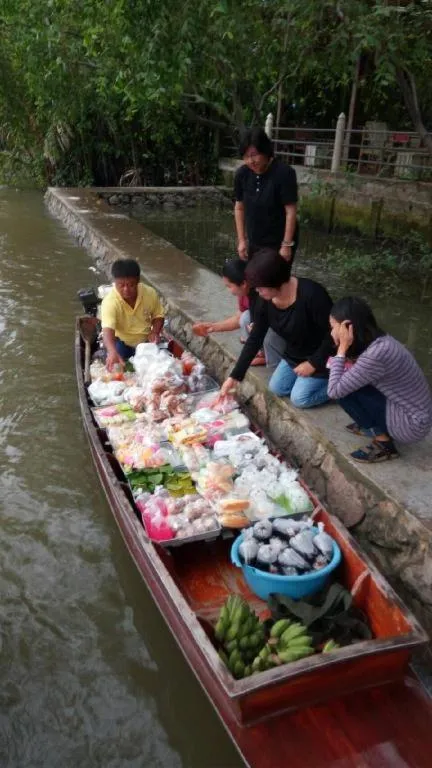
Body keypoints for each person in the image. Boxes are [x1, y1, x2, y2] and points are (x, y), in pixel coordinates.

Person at [219, 249, 334, 408]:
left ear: (274, 281)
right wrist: (234, 377)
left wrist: (313, 364)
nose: (257, 293)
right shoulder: (266, 300)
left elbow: (333, 334)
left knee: (299, 399)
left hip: (323, 356)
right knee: (277, 387)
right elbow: (255, 337)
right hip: (295, 353)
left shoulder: (312, 294)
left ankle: (341, 384)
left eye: (260, 288)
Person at [328, 297, 432, 463]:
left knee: (344, 394)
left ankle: (383, 443)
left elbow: (334, 390)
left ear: (348, 327)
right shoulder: (379, 340)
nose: (332, 332)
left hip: (411, 424)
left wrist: (341, 349)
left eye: (334, 327)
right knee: (351, 381)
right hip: (414, 412)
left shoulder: (377, 354)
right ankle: (373, 422)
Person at [192, 259, 285, 367]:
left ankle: (273, 360)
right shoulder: (244, 293)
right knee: (245, 317)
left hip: (281, 335)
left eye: (229, 286)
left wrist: (260, 326)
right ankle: (262, 353)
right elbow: (238, 318)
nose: (229, 291)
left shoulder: (264, 294)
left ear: (244, 283)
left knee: (260, 326)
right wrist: (212, 327)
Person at [234, 127, 299, 266]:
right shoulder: (242, 174)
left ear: (265, 151)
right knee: (253, 282)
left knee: (273, 284)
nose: (251, 161)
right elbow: (239, 208)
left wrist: (286, 245)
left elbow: (291, 211)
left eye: (254, 155)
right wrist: (242, 240)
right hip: (254, 241)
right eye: (246, 156)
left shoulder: (284, 173)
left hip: (278, 243)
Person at [101, 259, 165, 370]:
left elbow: (158, 316)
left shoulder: (149, 293)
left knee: (159, 366)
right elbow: (108, 330)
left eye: (131, 285)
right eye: (121, 285)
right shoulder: (109, 302)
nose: (126, 290)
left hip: (145, 342)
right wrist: (112, 352)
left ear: (138, 281)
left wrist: (154, 332)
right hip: (122, 343)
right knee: (118, 366)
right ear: (115, 282)